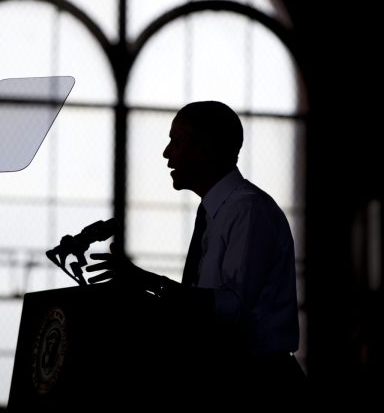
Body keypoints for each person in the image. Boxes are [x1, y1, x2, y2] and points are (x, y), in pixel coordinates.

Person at [86, 100, 306, 407]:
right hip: (232, 382)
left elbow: (232, 308)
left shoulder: (248, 211)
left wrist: (149, 283)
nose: (166, 154)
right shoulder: (217, 213)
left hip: (259, 390)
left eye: (175, 141)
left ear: (203, 147)